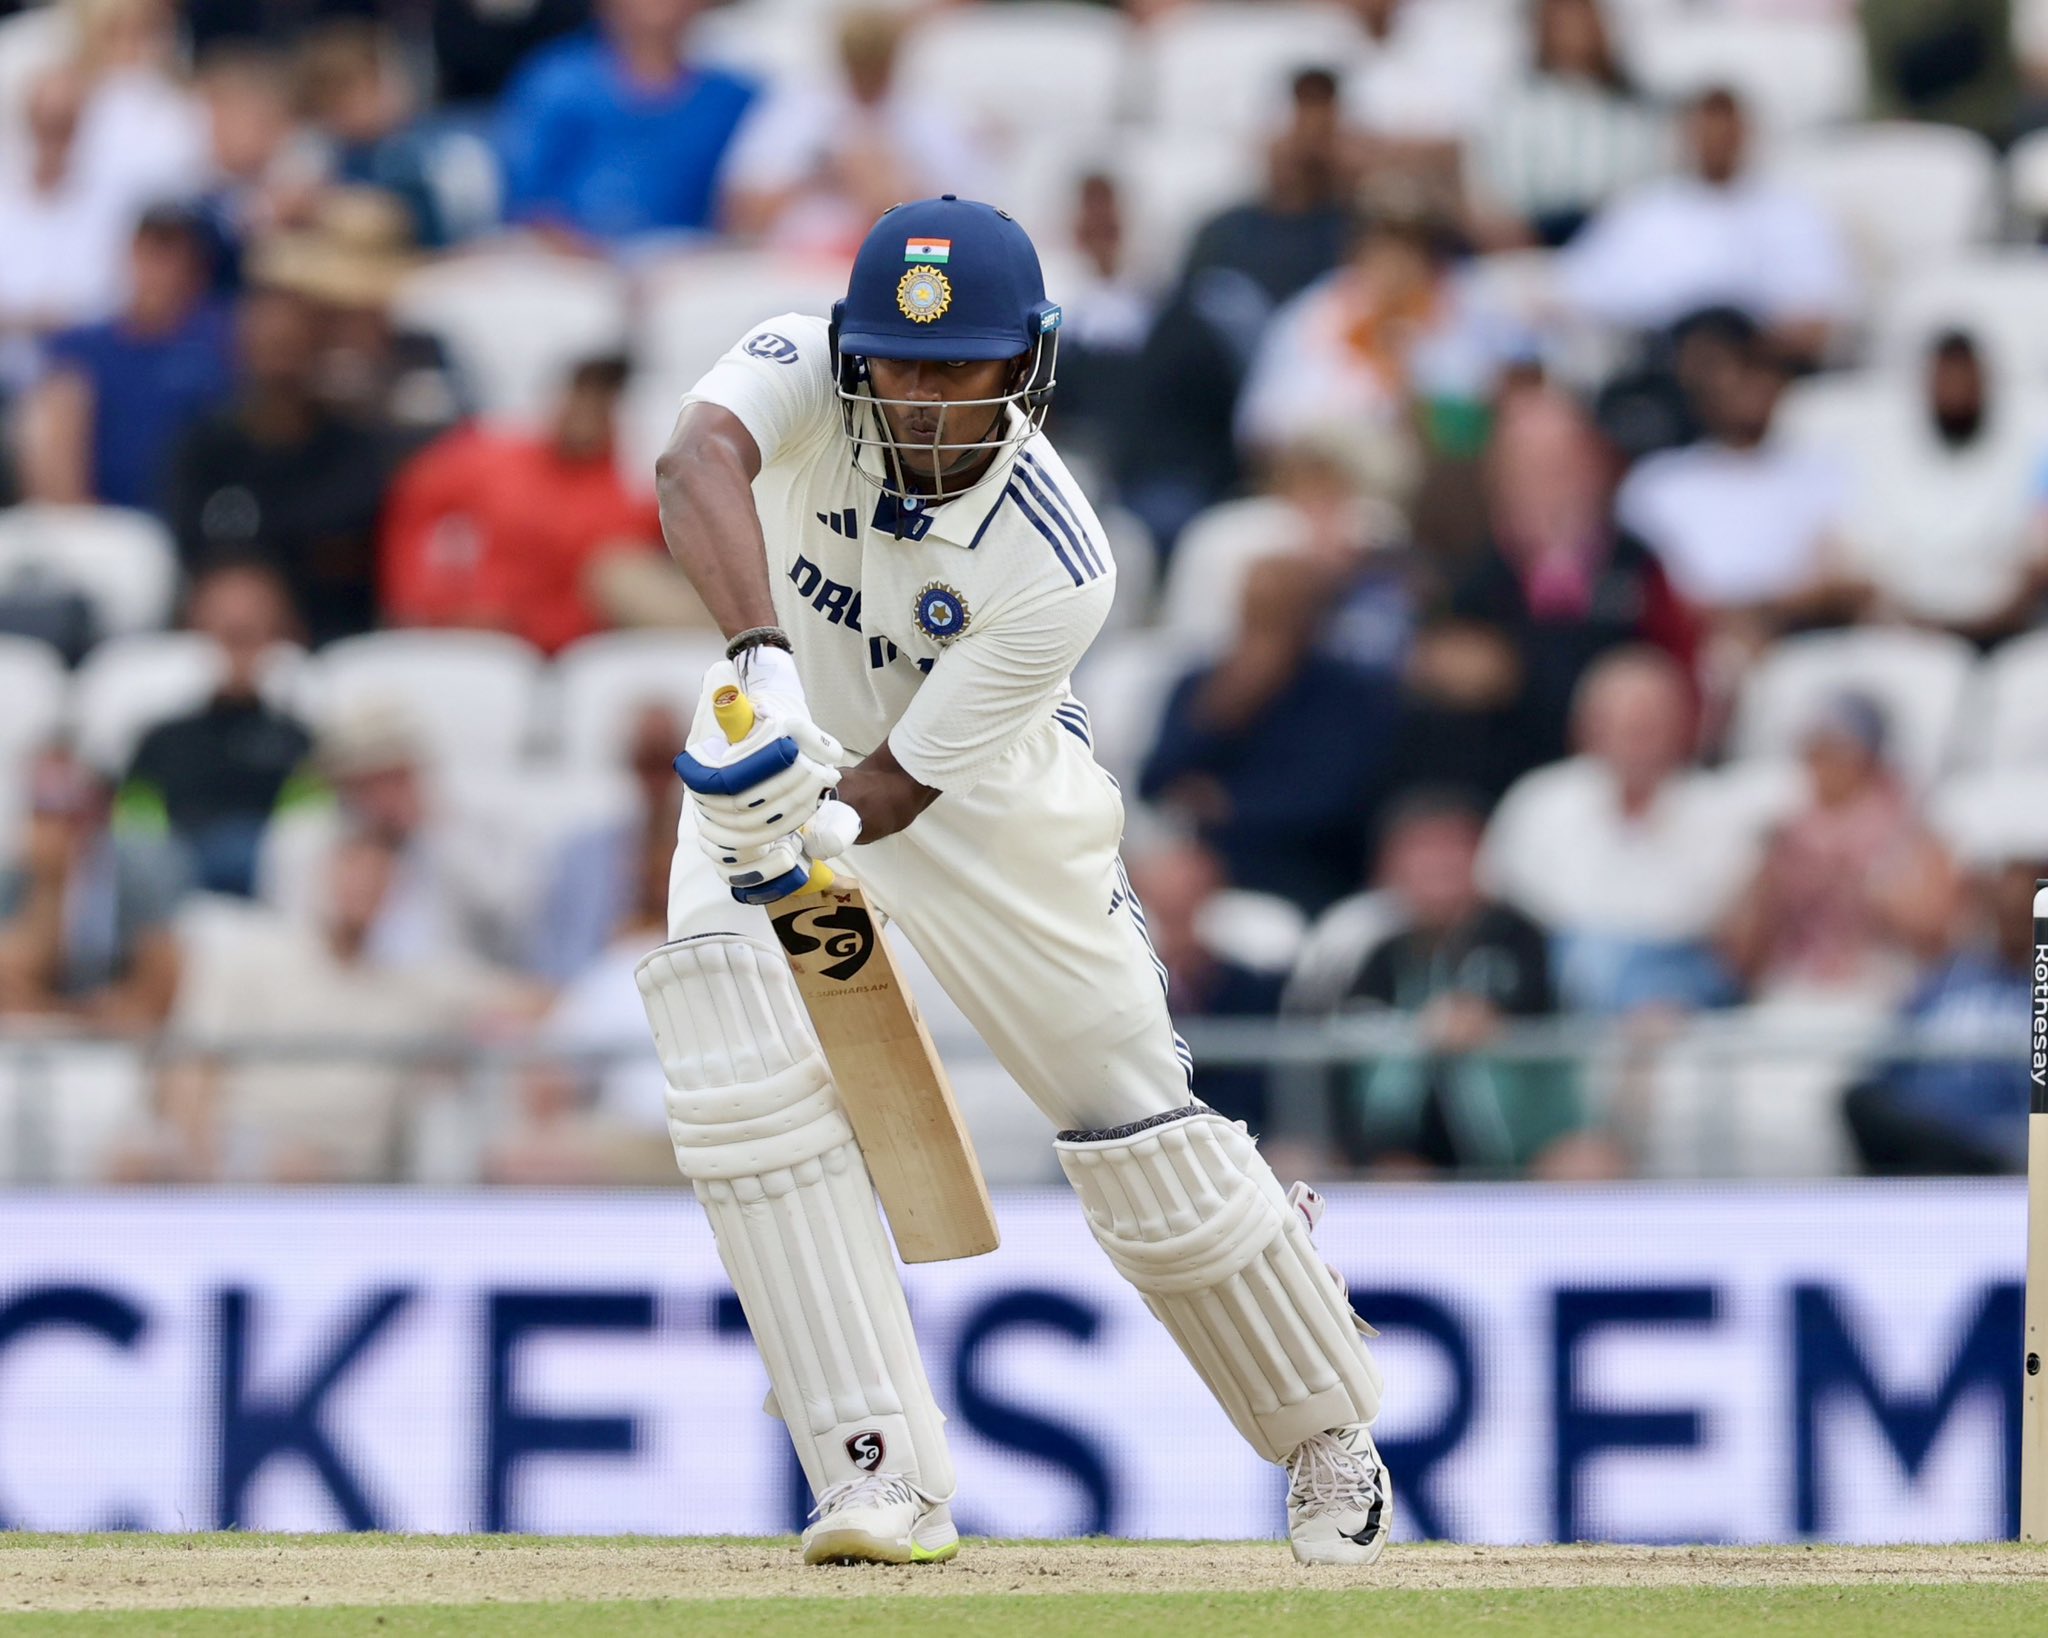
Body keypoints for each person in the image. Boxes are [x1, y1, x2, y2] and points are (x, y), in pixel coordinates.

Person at [639, 197, 1390, 1567]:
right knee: (737, 1077)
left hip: (979, 805)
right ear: (853, 349)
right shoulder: (800, 363)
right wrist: (758, 664)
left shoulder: (1060, 559)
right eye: (899, 363)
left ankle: (1323, 1419)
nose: (923, 399)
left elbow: (897, 792)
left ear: (1026, 362)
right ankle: (872, 1471)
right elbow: (693, 461)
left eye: (959, 367)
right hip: (771, 740)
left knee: (1134, 1122)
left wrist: (809, 814)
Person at [152, 828, 538, 1183]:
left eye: (378, 878)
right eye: (353, 872)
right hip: (239, 1155)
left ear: (396, 893)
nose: (362, 888)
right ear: (325, 874)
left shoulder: (418, 986)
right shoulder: (251, 957)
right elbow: (189, 1066)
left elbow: (532, 1001)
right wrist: (199, 1161)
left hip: (350, 1180)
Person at [1312, 787, 1618, 1178]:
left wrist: (1483, 1020)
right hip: (1407, 1154)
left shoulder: (1521, 936)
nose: (1438, 866)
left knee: (1588, 1165)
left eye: (1452, 848)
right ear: (1389, 866)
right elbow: (1346, 1049)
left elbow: (1530, 1006)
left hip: (1528, 1144)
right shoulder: (1375, 954)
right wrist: (1420, 1031)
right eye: (1421, 851)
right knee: (1379, 1181)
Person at [1480, 647, 1753, 1015]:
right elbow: (1499, 909)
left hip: (1684, 993)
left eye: (1650, 725)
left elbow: (1734, 940)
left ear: (1686, 726)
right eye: (1621, 724)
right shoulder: (1538, 802)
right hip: (1551, 987)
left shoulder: (1723, 810)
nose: (1635, 740)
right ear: (1585, 727)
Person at [1451, 380, 1698, 765]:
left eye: (1562, 465)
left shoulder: (1637, 565)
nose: (1549, 485)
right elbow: (1446, 665)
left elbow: (1681, 667)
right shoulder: (1469, 569)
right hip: (1499, 767)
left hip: (1621, 767)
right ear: (1498, 479)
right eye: (1530, 469)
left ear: (1596, 467)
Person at [380, 354, 669, 653]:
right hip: (465, 628)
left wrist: (527, 626)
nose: (585, 412)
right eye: (581, 395)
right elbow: (414, 502)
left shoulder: (627, 501)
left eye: (600, 401)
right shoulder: (493, 458)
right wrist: (427, 600)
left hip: (558, 648)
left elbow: (592, 595)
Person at [165, 279, 398, 644]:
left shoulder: (354, 451)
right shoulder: (203, 448)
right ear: (238, 350)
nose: (279, 365)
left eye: (291, 346)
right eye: (268, 346)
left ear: (317, 348)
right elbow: (191, 543)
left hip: (330, 637)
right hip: (221, 636)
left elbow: (345, 549)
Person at [1557, 86, 1855, 363]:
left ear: (1747, 134)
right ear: (1685, 135)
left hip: (1759, 357)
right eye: (1706, 130)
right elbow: (1581, 289)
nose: (1716, 141)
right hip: (1663, 357)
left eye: (1726, 131)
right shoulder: (1644, 210)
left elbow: (1821, 309)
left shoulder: (1791, 211)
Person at [114, 559, 318, 896]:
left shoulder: (298, 736)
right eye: (226, 635)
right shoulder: (161, 737)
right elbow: (136, 817)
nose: (235, 652)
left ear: (277, 635)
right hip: (175, 873)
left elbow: (309, 821)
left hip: (268, 871)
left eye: (248, 636)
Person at [16, 204, 235, 511]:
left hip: (193, 518)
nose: (160, 271)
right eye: (150, 253)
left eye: (173, 256)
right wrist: (77, 520)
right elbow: (52, 446)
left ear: (197, 269)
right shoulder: (83, 347)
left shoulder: (225, 339)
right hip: (103, 520)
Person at [719, 6, 985, 257]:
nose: (866, 71)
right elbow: (740, 213)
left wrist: (891, 188)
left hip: (900, 263)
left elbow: (968, 225)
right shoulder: (794, 110)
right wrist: (823, 174)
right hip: (798, 263)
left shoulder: (932, 117)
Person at [1834, 331, 2048, 639]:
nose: (1956, 392)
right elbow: (1865, 568)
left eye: (1966, 381)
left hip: (2012, 632)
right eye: (1946, 380)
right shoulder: (1881, 462)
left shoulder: (2031, 454)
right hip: (1904, 633)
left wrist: (1992, 625)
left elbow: (2037, 562)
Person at [496, 0, 756, 245]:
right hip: (563, 260)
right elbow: (526, 199)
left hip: (687, 261)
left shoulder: (731, 98)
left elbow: (741, 204)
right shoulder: (556, 83)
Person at [0, 745, 186, 1031]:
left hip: (122, 1029)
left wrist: (106, 1013)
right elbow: (10, 980)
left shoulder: (138, 869)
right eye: (43, 809)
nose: (57, 825)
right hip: (44, 1030)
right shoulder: (18, 873)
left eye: (70, 809)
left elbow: (161, 978)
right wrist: (51, 887)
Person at [1467, 0, 1669, 248]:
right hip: (1540, 235)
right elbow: (1496, 199)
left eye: (1583, 21)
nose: (1574, 33)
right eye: (1562, 24)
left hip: (1621, 234)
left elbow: (1652, 188)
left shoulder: (1635, 106)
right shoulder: (1514, 105)